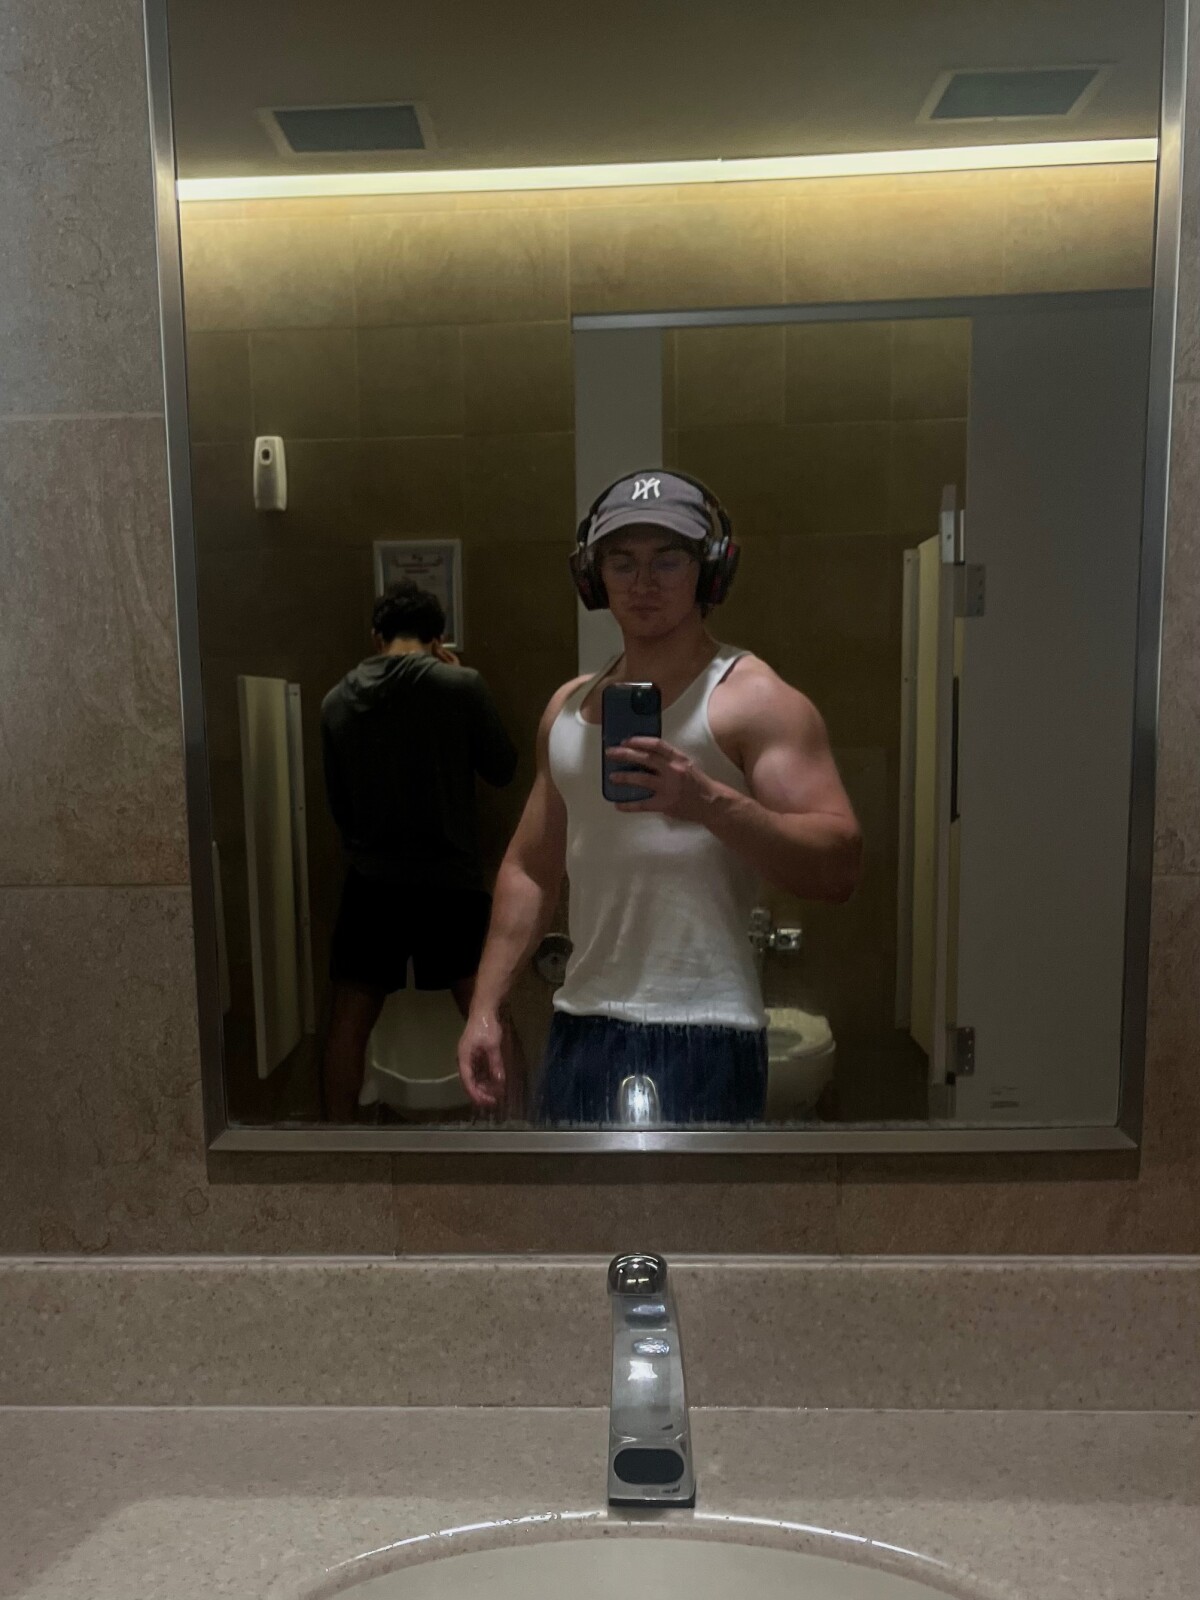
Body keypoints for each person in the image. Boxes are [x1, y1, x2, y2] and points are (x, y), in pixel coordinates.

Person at [456, 470, 862, 1127]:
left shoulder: (753, 700)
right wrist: (485, 1007)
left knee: (701, 1203)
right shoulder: (567, 709)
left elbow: (838, 865)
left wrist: (707, 802)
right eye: (622, 561)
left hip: (708, 1026)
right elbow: (530, 868)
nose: (643, 582)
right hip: (583, 1022)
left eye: (668, 559)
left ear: (710, 572)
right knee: (574, 1198)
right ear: (594, 577)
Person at [321, 579, 517, 1121]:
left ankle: (337, 1145)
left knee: (349, 1021)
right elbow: (503, 768)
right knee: (486, 1013)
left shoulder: (336, 701)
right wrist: (458, 683)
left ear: (376, 636)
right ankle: (516, 1130)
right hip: (450, 881)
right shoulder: (460, 686)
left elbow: (339, 807)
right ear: (437, 638)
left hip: (372, 882)